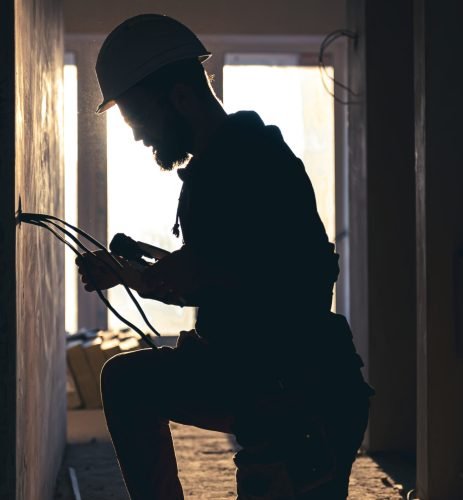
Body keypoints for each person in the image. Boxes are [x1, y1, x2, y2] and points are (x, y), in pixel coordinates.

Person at [76, 14, 374, 500]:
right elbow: (216, 271)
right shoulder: (219, 165)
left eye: (139, 120)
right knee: (129, 384)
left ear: (179, 97)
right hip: (253, 373)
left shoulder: (251, 160)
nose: (137, 137)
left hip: (301, 390)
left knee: (132, 386)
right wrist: (137, 275)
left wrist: (139, 275)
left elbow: (231, 271)